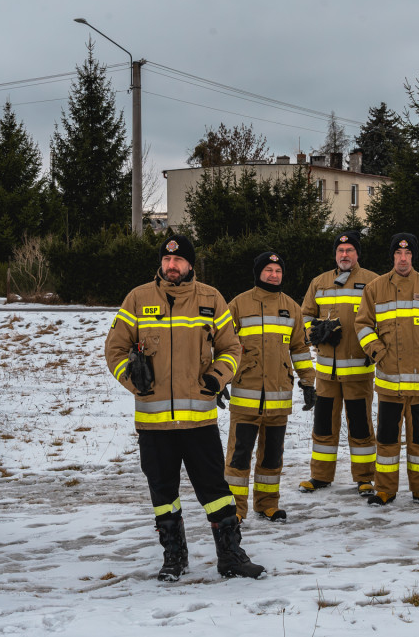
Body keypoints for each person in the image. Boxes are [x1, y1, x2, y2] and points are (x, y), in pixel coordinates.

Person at [105, 234, 263, 581]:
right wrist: (134, 381)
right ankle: (174, 557)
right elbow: (114, 350)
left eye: (177, 260)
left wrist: (216, 379)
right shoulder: (138, 298)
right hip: (154, 424)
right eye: (166, 260)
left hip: (199, 422)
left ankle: (231, 556)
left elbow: (232, 348)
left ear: (190, 264)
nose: (171, 265)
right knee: (163, 494)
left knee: (217, 493)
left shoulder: (211, 298)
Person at [355, 233, 419, 507]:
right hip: (388, 384)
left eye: (407, 254)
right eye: (398, 253)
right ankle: (385, 489)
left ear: (413, 256)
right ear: (392, 256)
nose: (403, 258)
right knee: (386, 442)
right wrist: (378, 353)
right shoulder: (375, 288)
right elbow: (362, 325)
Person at [224, 252, 314, 523]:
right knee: (239, 457)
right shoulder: (238, 304)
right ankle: (235, 510)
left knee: (272, 457)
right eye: (268, 270)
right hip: (245, 397)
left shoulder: (291, 307)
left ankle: (267, 504)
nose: (273, 274)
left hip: (278, 397)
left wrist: (309, 382)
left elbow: (299, 348)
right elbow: (222, 346)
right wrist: (219, 380)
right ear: (258, 273)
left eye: (278, 270)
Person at [298, 231, 379, 496]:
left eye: (350, 250)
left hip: (358, 371)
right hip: (326, 373)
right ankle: (320, 476)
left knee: (360, 427)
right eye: (340, 251)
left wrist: (374, 348)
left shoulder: (373, 282)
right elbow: (305, 316)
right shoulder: (319, 282)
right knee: (323, 427)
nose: (345, 255)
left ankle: (365, 478)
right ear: (335, 254)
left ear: (357, 254)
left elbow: (383, 320)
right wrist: (316, 330)